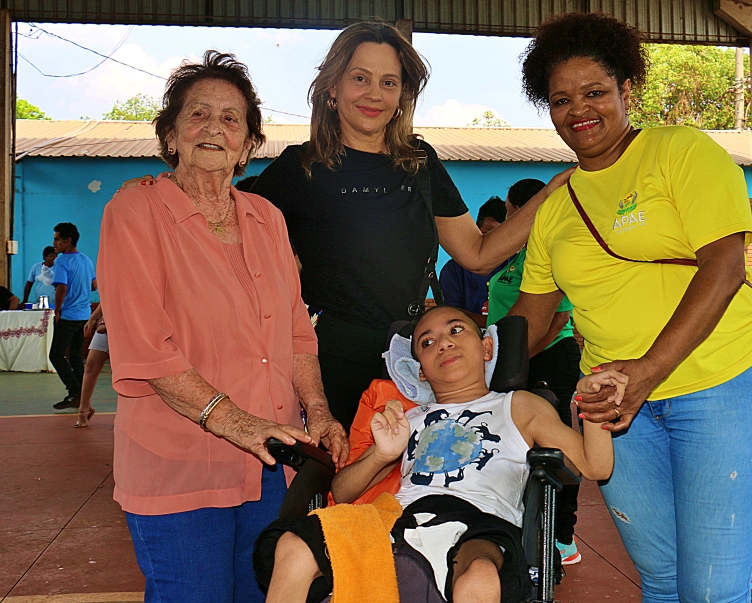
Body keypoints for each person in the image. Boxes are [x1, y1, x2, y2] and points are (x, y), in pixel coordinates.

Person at [508, 13, 752, 603]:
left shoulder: (678, 151)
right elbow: (531, 319)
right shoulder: (557, 209)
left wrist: (647, 372)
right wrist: (463, 352)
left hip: (723, 385)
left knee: (711, 594)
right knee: (661, 584)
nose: (578, 110)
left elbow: (725, 265)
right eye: (561, 99)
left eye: (594, 92)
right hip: (616, 411)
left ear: (626, 90)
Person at [97, 50, 349, 603]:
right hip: (180, 464)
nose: (215, 128)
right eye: (198, 114)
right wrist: (234, 422)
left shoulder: (267, 219)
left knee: (268, 597)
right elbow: (144, 345)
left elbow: (296, 333)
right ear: (170, 134)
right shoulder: (134, 211)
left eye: (232, 118)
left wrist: (319, 410)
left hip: (272, 465)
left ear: (249, 143)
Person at [244, 22, 573, 432]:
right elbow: (228, 233)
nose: (373, 94)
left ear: (401, 96)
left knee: (418, 482)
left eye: (388, 82)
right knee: (344, 483)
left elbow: (477, 254)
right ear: (332, 88)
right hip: (333, 360)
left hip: (416, 359)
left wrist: (548, 197)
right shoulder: (298, 168)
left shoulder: (419, 161)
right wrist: (165, 188)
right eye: (359, 78)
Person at [254, 306, 623, 603]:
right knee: (293, 545)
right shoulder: (408, 418)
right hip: (400, 518)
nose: (443, 344)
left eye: (456, 331)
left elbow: (596, 466)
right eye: (427, 343)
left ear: (487, 349)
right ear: (420, 372)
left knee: (478, 578)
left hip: (480, 522)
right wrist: (382, 454)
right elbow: (343, 492)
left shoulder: (520, 406)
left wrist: (596, 405)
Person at [487, 177, 583, 565]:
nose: (508, 216)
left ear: (518, 210)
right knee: (511, 443)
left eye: (510, 209)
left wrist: (520, 358)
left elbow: (559, 317)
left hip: (547, 357)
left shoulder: (555, 246)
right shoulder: (515, 254)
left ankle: (562, 537)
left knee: (555, 446)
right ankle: (518, 526)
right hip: (509, 362)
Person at [49, 222, 97, 410]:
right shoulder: (86, 260)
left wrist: (58, 309)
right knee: (76, 355)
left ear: (67, 241)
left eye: (56, 239)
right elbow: (94, 286)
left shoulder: (62, 260)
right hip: (84, 315)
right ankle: (81, 394)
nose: (54, 243)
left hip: (68, 315)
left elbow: (61, 286)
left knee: (56, 354)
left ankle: (74, 390)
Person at [439, 196, 508, 326]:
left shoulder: (518, 264)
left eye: (499, 236)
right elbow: (450, 313)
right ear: (476, 231)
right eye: (487, 234)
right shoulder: (453, 269)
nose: (492, 241)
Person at [75, 305, 106, 428]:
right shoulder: (109, 285)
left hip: (127, 325)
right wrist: (92, 319)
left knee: (122, 371)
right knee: (91, 366)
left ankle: (124, 414)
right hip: (105, 326)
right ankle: (84, 409)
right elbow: (105, 299)